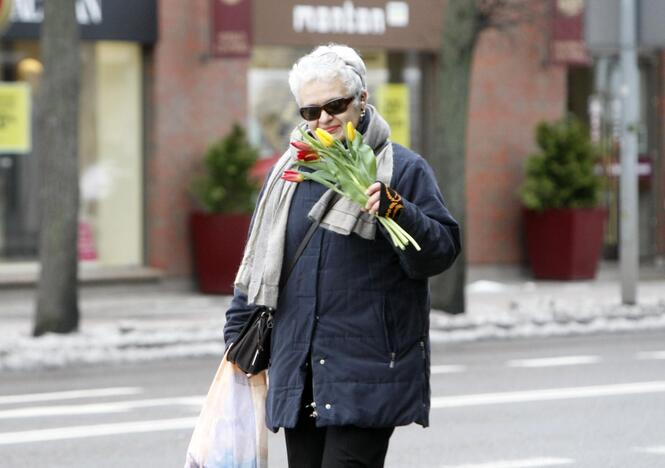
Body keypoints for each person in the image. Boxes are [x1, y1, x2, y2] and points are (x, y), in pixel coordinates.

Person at [224, 44, 460, 468]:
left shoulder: (401, 169)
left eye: (335, 105)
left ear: (362, 100)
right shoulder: (287, 175)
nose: (324, 119)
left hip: (366, 368)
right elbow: (260, 261)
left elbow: (438, 254)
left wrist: (398, 211)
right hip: (300, 369)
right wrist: (235, 337)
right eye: (310, 112)